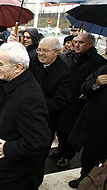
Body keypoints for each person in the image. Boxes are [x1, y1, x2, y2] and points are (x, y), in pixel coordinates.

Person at [0, 42, 51, 189]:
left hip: (17, 160)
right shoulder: (17, 82)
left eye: (1, 64)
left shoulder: (28, 97)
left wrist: (8, 148)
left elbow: (40, 141)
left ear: (18, 67)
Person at [52, 32, 106, 168]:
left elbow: (96, 81)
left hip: (80, 102)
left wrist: (89, 91)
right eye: (75, 41)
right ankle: (60, 150)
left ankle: (67, 155)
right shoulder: (69, 56)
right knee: (61, 129)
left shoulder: (98, 61)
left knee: (70, 131)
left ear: (90, 44)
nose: (76, 44)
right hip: (65, 98)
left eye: (80, 42)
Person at [29, 36, 72, 186]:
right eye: (39, 49)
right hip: (28, 117)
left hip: (47, 121)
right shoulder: (35, 60)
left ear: (56, 52)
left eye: (45, 50)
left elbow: (60, 101)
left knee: (39, 155)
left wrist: (34, 103)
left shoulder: (65, 72)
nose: (40, 53)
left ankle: (35, 183)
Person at [67, 64, 107, 188]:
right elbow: (84, 87)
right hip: (93, 122)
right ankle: (85, 179)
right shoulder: (103, 69)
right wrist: (96, 83)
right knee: (88, 156)